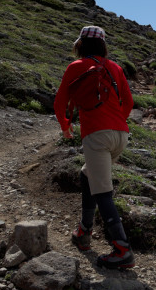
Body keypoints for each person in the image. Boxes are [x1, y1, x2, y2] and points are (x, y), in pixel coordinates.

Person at [54, 25, 135, 269]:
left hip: (96, 136)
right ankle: (84, 232)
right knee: (87, 174)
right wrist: (116, 122)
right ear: (102, 46)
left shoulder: (76, 67)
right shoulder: (115, 68)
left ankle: (122, 249)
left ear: (80, 44)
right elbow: (128, 102)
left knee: (102, 191)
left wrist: (65, 126)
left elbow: (60, 101)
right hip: (120, 134)